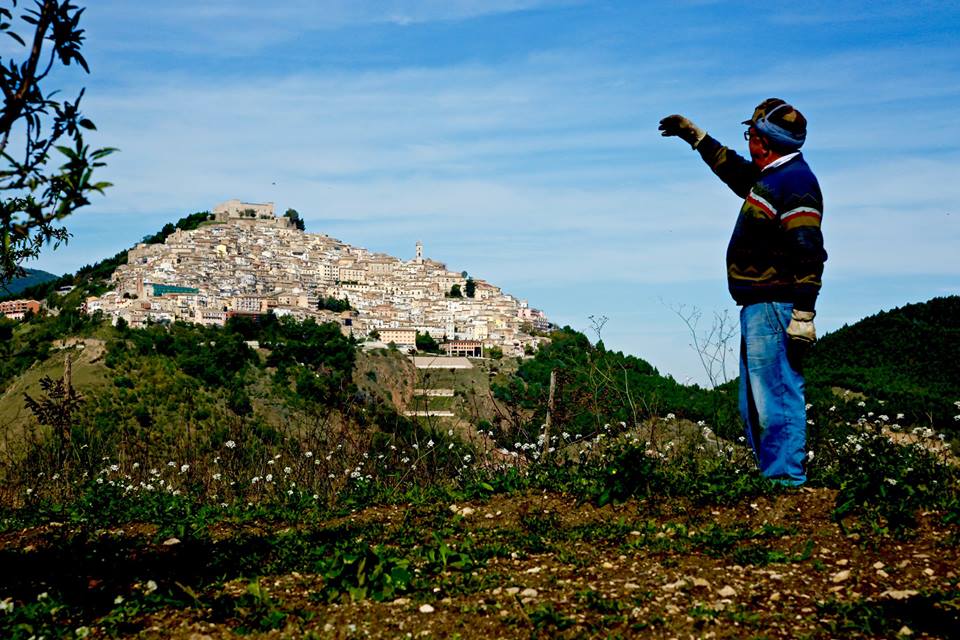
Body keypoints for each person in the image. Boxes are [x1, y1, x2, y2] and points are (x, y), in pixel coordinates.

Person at [658, 98, 827, 485]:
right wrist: (697, 138)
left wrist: (804, 312)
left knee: (777, 397)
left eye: (751, 134)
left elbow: (808, 250)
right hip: (758, 305)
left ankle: (785, 479)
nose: (748, 141)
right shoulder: (772, 178)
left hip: (776, 304)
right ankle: (772, 476)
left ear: (763, 142)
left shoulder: (795, 183)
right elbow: (736, 173)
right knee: (753, 404)